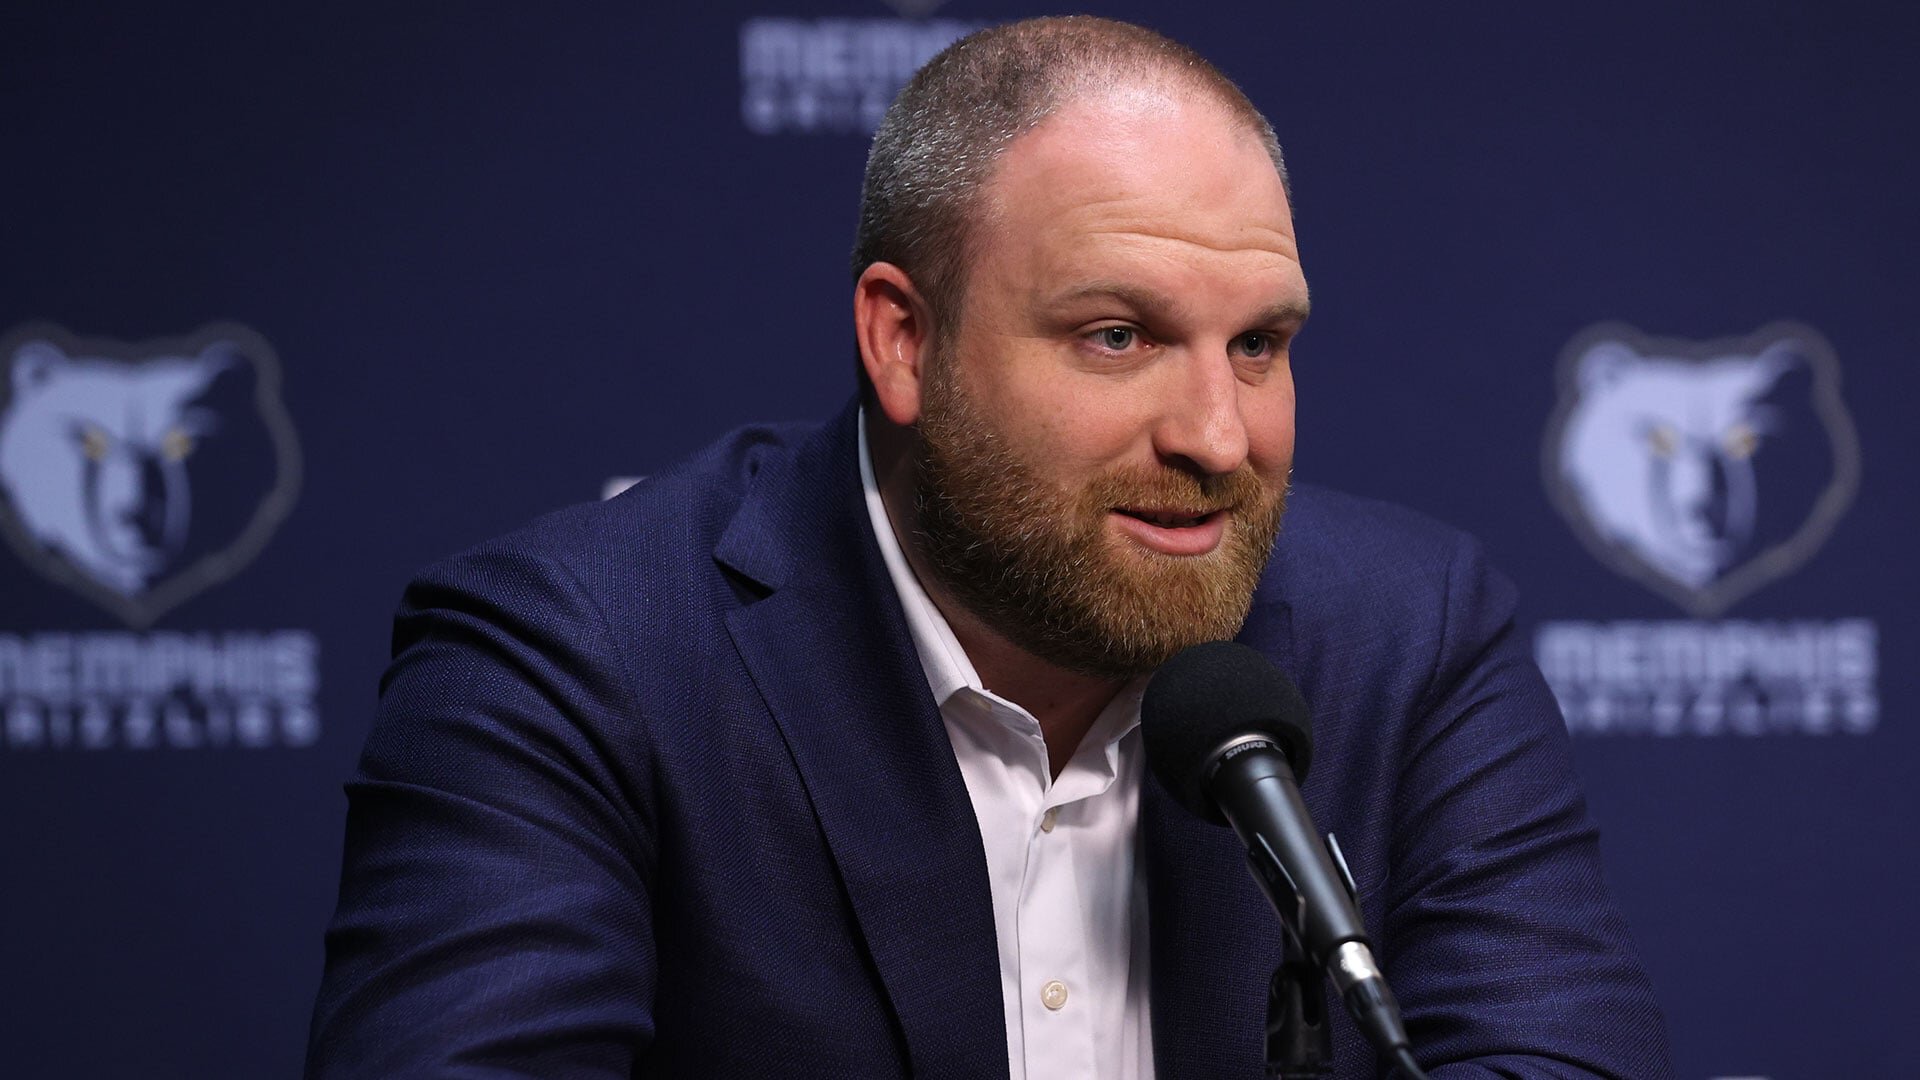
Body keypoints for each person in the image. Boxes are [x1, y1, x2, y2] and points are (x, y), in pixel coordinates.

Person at [307, 16, 1670, 1079]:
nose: (1217, 433)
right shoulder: (578, 658)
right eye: (1117, 336)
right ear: (905, 340)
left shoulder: (1411, 630)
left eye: (1258, 343)